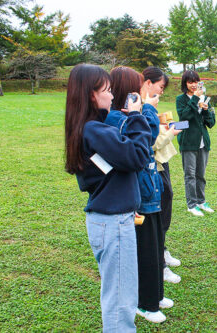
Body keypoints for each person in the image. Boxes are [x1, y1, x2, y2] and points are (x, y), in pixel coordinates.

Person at [64, 64, 151, 332]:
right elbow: (137, 156)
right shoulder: (95, 130)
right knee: (120, 302)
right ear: (92, 94)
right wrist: (137, 117)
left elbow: (109, 175)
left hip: (111, 219)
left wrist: (127, 202)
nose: (112, 97)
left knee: (118, 294)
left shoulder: (90, 129)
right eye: (108, 90)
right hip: (112, 224)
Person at [104, 66, 170, 324]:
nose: (139, 94)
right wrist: (148, 110)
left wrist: (143, 111)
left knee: (154, 247)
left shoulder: (129, 115)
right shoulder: (115, 119)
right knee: (144, 252)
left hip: (149, 191)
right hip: (137, 196)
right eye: (135, 88)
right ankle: (145, 303)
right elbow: (149, 137)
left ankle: (155, 295)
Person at [142, 67, 182, 283]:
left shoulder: (147, 107)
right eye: (160, 86)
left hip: (162, 163)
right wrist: (171, 132)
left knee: (166, 204)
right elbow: (151, 142)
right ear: (148, 83)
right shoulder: (139, 107)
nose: (161, 92)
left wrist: (160, 123)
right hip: (153, 166)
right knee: (157, 213)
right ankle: (160, 264)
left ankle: (162, 249)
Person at [176, 70, 216, 217]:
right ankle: (191, 204)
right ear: (185, 83)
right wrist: (195, 100)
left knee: (201, 174)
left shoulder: (205, 98)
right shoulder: (181, 99)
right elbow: (184, 116)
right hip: (188, 142)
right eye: (190, 82)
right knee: (190, 175)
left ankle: (201, 201)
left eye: (195, 82)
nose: (193, 85)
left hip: (202, 142)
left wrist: (206, 110)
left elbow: (210, 123)